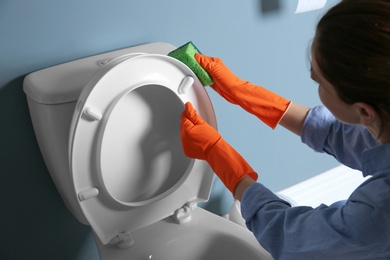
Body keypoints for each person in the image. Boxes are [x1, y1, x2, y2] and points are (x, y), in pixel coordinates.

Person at [179, 0, 390, 259]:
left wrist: (219, 157)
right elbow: (344, 134)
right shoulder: (382, 118)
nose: (315, 84)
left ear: (365, 112)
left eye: (319, 82)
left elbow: (290, 236)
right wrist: (242, 91)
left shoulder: (378, 213)